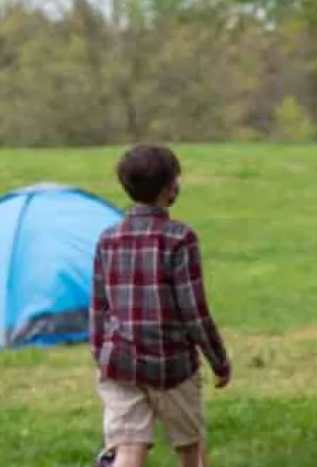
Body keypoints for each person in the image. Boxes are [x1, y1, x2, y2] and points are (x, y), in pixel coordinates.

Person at [89, 144, 231, 467]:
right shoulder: (180, 238)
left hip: (120, 363)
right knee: (190, 449)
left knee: (127, 449)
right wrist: (219, 360)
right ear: (171, 188)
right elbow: (195, 313)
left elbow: (99, 306)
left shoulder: (107, 238)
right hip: (172, 367)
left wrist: (100, 354)